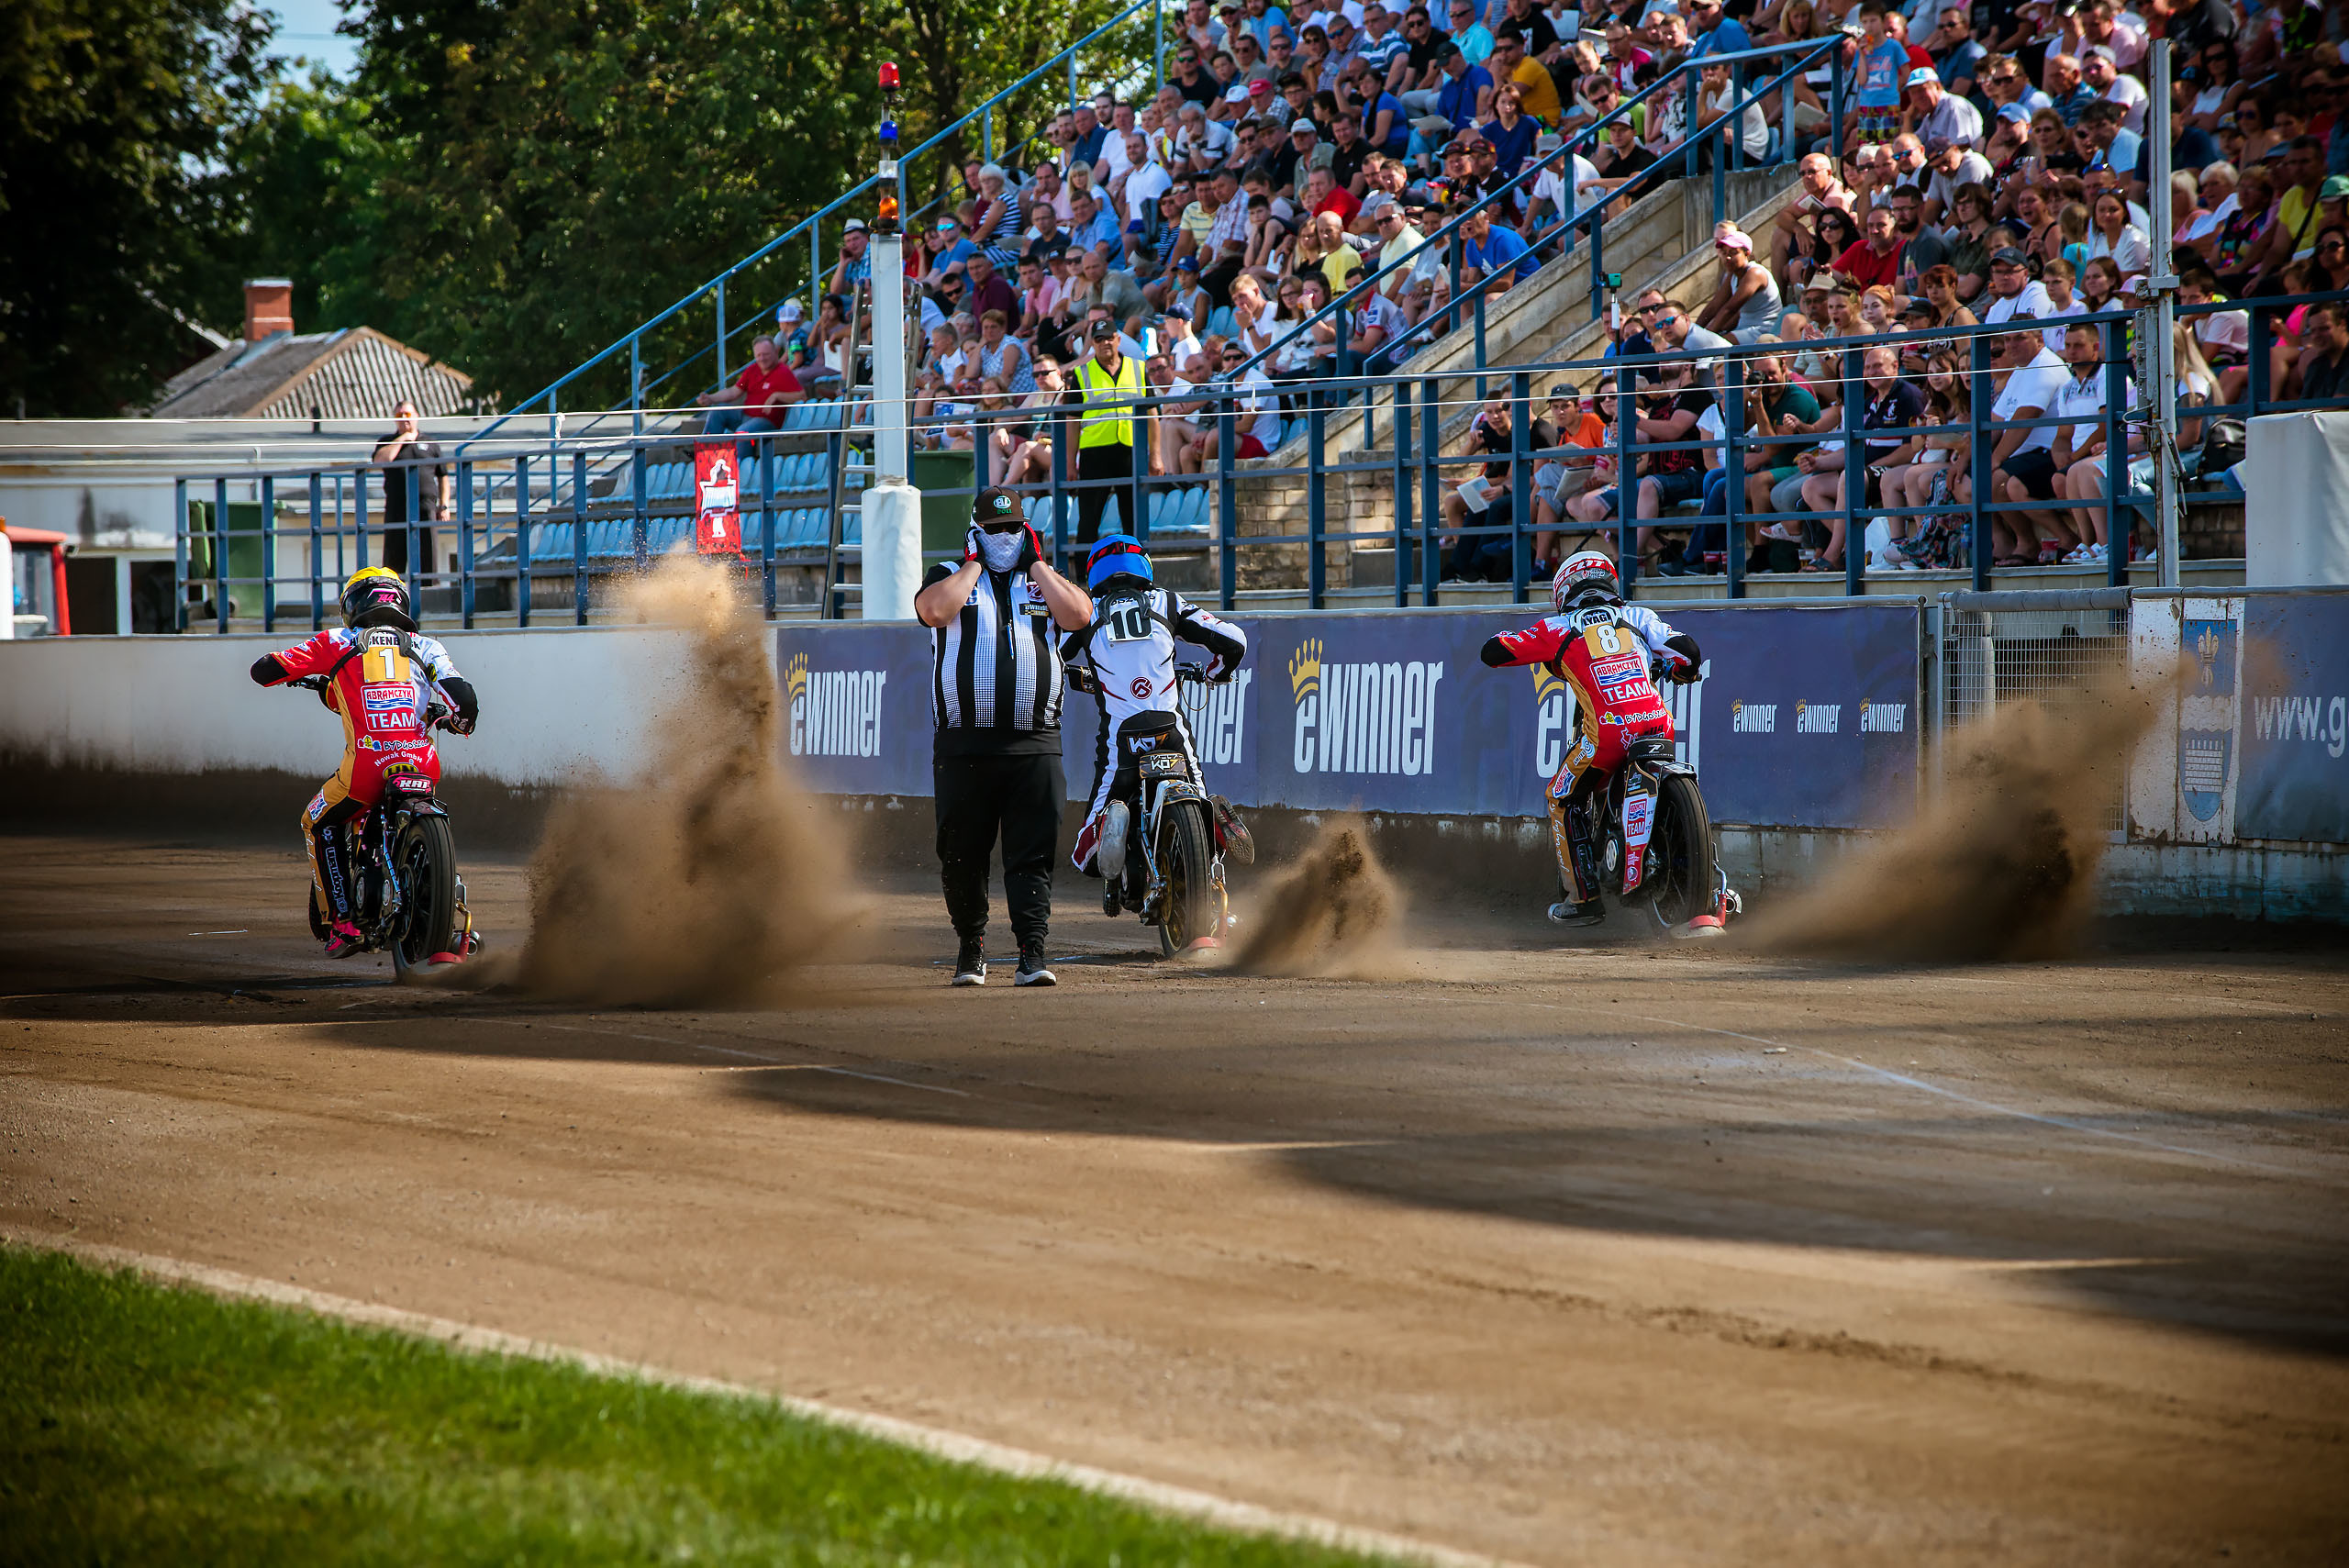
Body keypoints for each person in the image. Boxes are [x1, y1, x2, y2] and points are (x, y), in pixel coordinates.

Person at [248, 569, 480, 960]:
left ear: (353, 605)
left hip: (367, 769)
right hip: (422, 764)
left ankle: (342, 922)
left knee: (316, 819)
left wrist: (301, 671)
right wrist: (458, 721)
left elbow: (264, 670)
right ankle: (450, 918)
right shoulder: (426, 646)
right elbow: (465, 702)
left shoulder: (336, 641)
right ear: (400, 602)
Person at [914, 488, 1095, 987]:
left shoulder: (1044, 579)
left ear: (1026, 530)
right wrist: (973, 564)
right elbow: (934, 612)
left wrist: (1036, 566)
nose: (1003, 539)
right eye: (993, 531)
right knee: (962, 853)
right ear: (975, 531)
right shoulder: (948, 575)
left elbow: (1079, 617)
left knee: (1031, 853)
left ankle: (1032, 954)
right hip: (964, 744)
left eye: (1011, 529)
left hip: (1034, 742)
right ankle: (970, 948)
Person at [1477, 551, 1707, 929]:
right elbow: (1689, 652)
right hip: (1658, 725)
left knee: (1560, 794)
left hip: (1606, 734)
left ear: (1565, 590)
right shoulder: (1639, 617)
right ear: (1610, 583)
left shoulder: (1556, 627)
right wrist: (1679, 669)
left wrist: (1508, 634)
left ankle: (1582, 898)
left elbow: (1493, 652)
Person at [1060, 534, 1251, 914]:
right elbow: (1235, 641)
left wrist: (1086, 677)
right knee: (1196, 795)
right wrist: (1213, 674)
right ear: (1144, 566)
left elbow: (1049, 660)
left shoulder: (1083, 611)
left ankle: (1107, 828)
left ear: (1094, 571)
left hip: (1122, 741)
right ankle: (1210, 821)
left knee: (1083, 855)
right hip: (1171, 731)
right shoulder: (1167, 601)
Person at [1065, 318, 1157, 543]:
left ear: (1118, 339)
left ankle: (1138, 570)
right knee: (1089, 517)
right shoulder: (1081, 373)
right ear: (1093, 344)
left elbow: (1153, 414)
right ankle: (1084, 574)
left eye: (1108, 337)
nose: (1105, 342)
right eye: (1099, 339)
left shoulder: (1139, 368)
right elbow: (1071, 421)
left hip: (1131, 450)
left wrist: (1156, 455)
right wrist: (1069, 462)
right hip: (1094, 453)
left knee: (1133, 516)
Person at [695, 333, 806, 460]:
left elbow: (802, 396)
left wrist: (777, 395)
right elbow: (734, 391)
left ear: (775, 352)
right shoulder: (752, 370)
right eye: (758, 355)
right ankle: (705, 456)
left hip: (767, 422)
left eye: (766, 354)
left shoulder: (783, 372)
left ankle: (741, 467)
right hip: (745, 416)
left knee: (743, 431)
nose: (762, 358)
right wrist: (710, 398)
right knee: (718, 411)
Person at [372, 401, 449, 579]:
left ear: (416, 416)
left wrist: (444, 505)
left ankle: (428, 593)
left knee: (428, 552)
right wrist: (402, 439)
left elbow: (443, 476)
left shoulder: (430, 443)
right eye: (400, 416)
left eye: (408, 414)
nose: (404, 419)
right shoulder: (386, 441)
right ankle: (391, 592)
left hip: (425, 506)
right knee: (393, 555)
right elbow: (380, 461)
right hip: (396, 506)